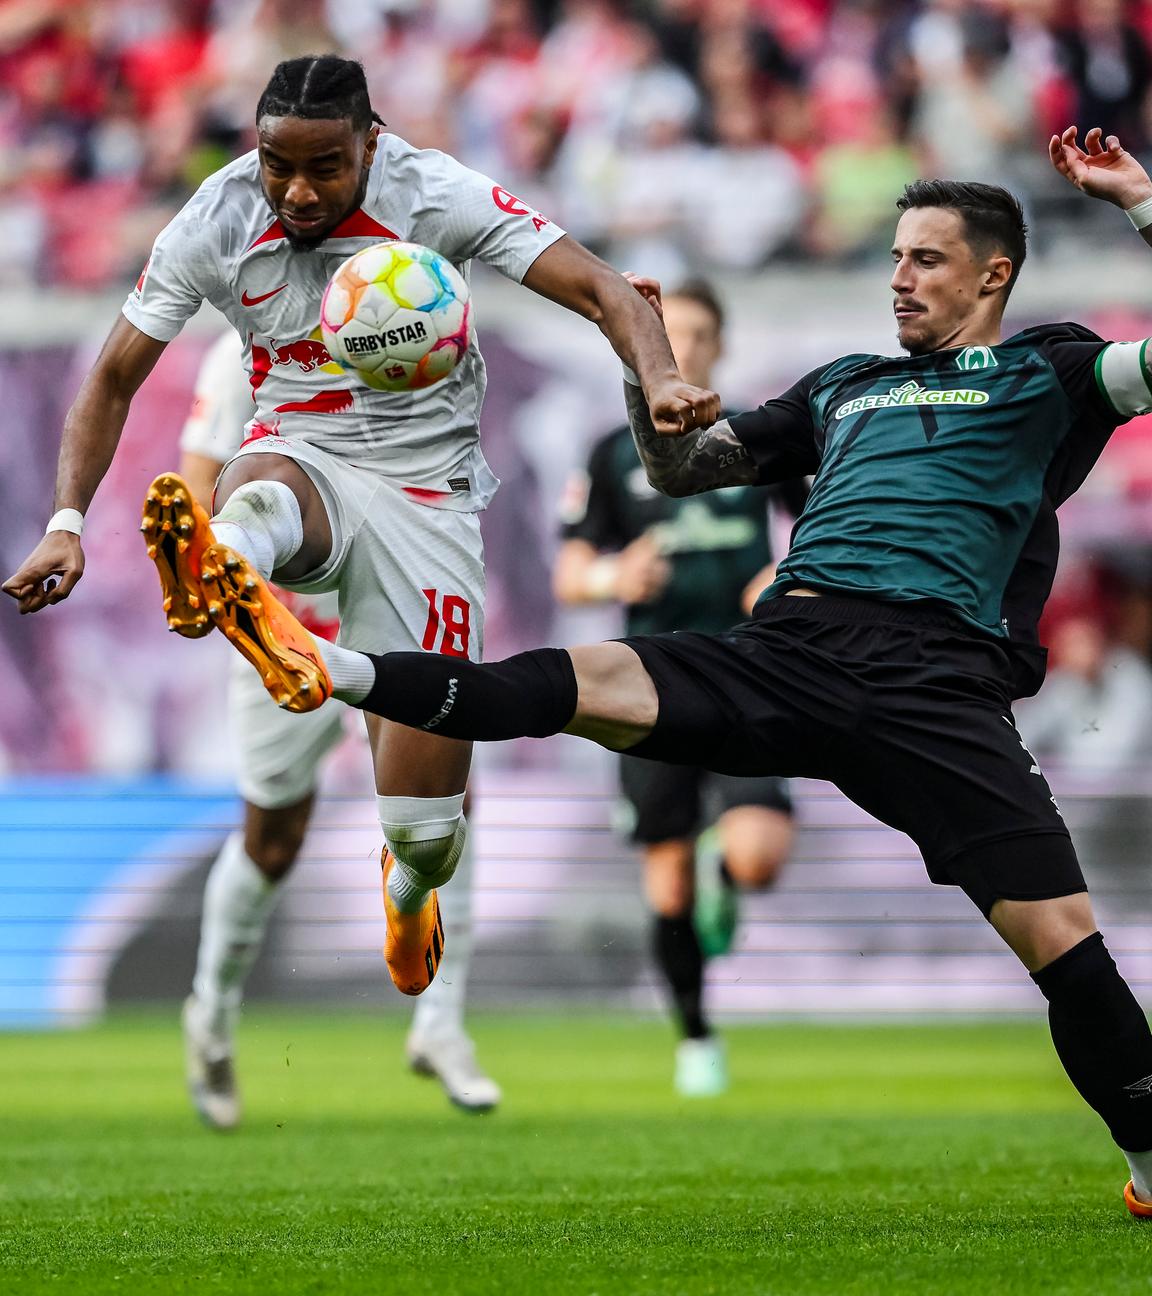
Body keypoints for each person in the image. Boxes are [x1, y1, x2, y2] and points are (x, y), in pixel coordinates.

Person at [185, 127, 1152, 1217]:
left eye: (926, 259)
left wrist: (1141, 201)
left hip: (936, 685)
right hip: (788, 652)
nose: (899, 279)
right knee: (565, 680)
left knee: (1063, 947)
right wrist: (645, 378)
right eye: (893, 257)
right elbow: (687, 469)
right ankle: (328, 664)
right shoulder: (844, 387)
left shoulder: (1051, 370)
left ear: (994, 272)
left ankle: (1149, 1164)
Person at [2, 56, 718, 1008]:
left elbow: (604, 290)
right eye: (275, 164)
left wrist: (663, 377)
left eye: (324, 168)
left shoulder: (438, 193)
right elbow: (113, 376)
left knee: (425, 828)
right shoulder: (215, 218)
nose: (296, 191)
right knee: (257, 488)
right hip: (304, 451)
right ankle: (222, 567)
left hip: (430, 496)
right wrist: (65, 522)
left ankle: (410, 884)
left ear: (371, 144)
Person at [177, 330, 499, 1127]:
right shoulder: (241, 353)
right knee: (272, 840)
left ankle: (441, 1025)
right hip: (285, 633)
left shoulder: (410, 337)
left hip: (391, 623)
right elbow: (194, 486)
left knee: (450, 805)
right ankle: (210, 1018)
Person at [553, 279, 804, 1096]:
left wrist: (785, 572)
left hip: (745, 669)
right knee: (665, 879)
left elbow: (820, 522)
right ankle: (697, 1038)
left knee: (759, 855)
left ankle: (730, 882)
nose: (682, 349)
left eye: (696, 335)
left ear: (719, 347)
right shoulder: (611, 452)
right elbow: (569, 571)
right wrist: (611, 574)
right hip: (648, 682)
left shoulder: (757, 439)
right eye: (668, 336)